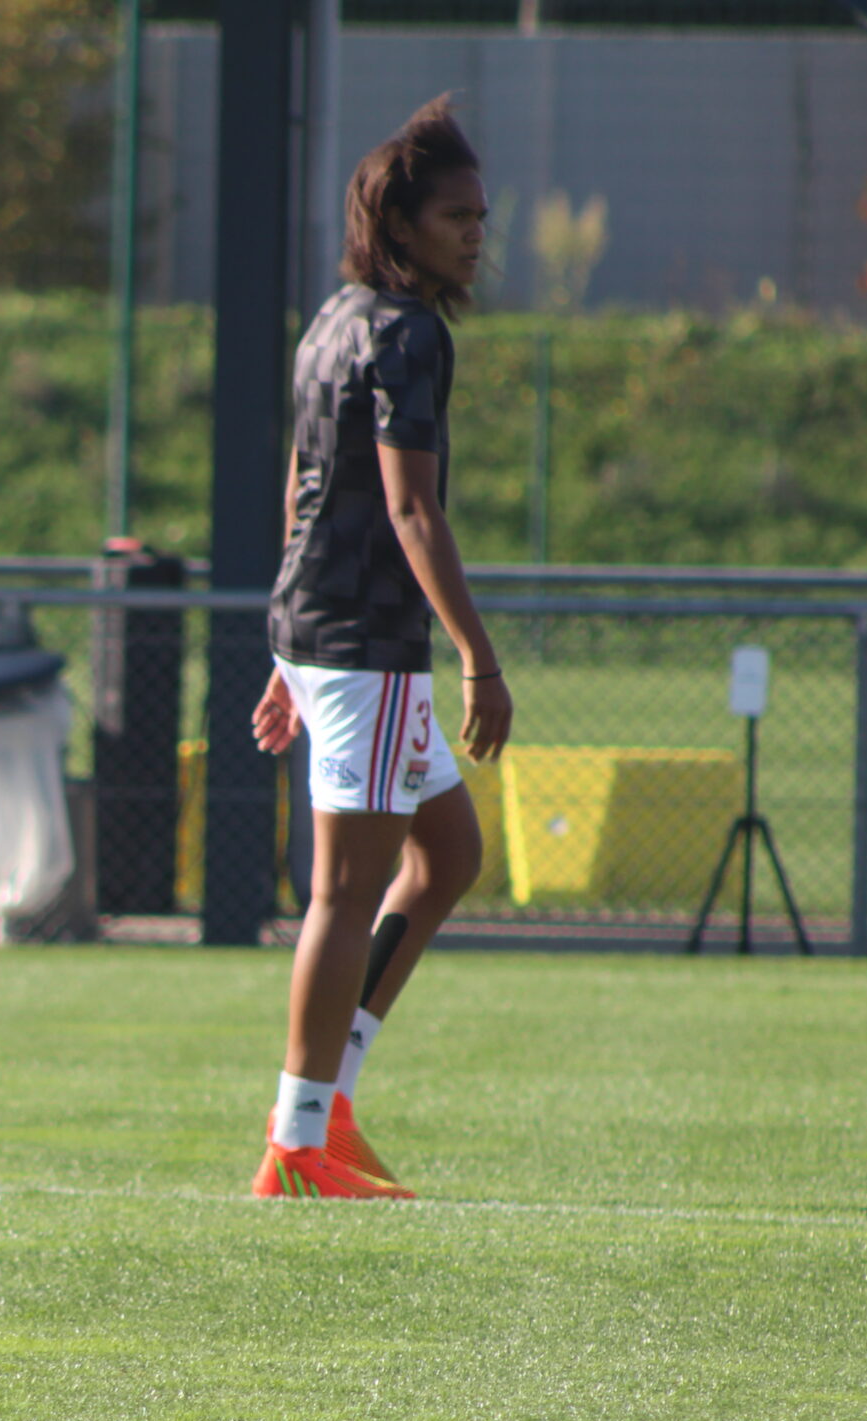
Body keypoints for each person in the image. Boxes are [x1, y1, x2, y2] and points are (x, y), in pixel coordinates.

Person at [247, 95, 512, 1200]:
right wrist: (477, 657)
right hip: (367, 647)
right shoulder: (407, 334)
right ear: (398, 225)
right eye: (455, 214)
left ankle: (330, 1104)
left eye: (480, 215)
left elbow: (303, 487)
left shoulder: (333, 316)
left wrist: (281, 647)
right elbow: (410, 514)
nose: (474, 233)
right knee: (342, 894)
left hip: (323, 635)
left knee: (446, 856)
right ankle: (296, 1145)